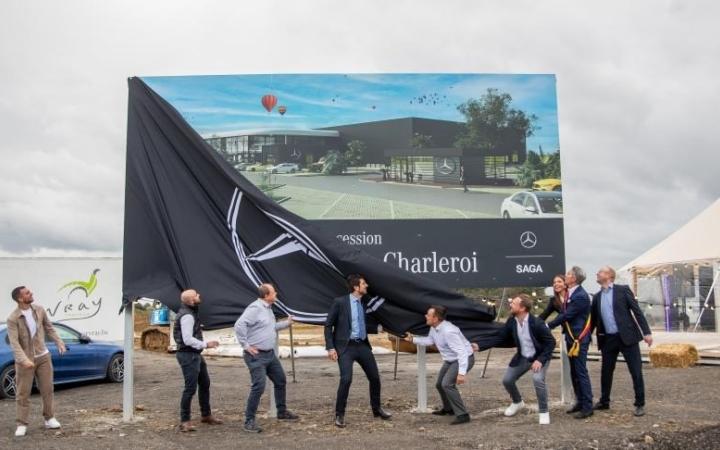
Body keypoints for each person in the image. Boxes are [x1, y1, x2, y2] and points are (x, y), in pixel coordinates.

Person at [474, 294, 556, 425]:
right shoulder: (512, 321)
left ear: (522, 308)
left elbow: (551, 343)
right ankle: (518, 402)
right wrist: (479, 345)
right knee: (507, 380)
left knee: (537, 379)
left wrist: (540, 360)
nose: (510, 304)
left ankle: (544, 412)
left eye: (514, 303)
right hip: (522, 357)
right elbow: (500, 337)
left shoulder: (537, 323)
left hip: (539, 357)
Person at [324, 274, 392, 428]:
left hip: (362, 346)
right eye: (363, 283)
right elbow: (328, 325)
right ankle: (339, 415)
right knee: (346, 379)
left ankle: (377, 409)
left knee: (375, 378)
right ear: (356, 287)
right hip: (345, 347)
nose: (366, 285)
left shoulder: (364, 303)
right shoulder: (340, 302)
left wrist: (379, 329)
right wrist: (330, 347)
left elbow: (362, 324)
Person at [234, 283, 299, 433]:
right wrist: (246, 345)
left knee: (280, 380)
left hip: (269, 354)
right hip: (256, 356)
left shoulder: (268, 309)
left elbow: (271, 327)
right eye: (274, 292)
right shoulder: (255, 309)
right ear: (266, 295)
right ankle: (249, 421)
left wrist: (287, 323)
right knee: (259, 387)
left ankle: (281, 412)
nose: (276, 294)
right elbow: (239, 325)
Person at [591, 266, 653, 417]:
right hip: (608, 339)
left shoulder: (623, 290)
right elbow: (593, 321)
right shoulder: (597, 297)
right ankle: (604, 401)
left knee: (636, 371)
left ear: (609, 276)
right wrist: (584, 338)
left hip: (628, 337)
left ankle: (640, 404)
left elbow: (636, 311)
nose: (597, 273)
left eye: (600, 271)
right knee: (606, 372)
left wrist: (646, 332)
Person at [6, 286, 66, 437]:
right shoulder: (12, 318)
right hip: (24, 361)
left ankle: (49, 418)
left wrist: (59, 342)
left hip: (43, 356)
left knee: (48, 389)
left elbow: (49, 327)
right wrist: (24, 360)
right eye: (27, 293)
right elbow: (14, 343)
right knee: (22, 393)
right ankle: (22, 424)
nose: (31, 293)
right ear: (20, 298)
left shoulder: (39, 309)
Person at [405, 305, 475, 425]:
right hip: (450, 360)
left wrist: (461, 373)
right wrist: (413, 339)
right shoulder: (434, 328)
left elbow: (462, 352)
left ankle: (463, 415)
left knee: (447, 384)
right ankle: (448, 409)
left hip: (463, 359)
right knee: (439, 384)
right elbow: (430, 341)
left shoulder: (448, 331)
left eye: (428, 315)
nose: (425, 316)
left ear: (436, 318)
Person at [173, 289, 223, 432]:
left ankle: (206, 415)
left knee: (205, 383)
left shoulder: (190, 312)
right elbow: (187, 339)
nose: (199, 295)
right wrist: (206, 344)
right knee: (190, 388)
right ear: (191, 301)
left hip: (194, 355)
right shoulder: (187, 316)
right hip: (188, 355)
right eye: (196, 295)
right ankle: (185, 421)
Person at [547, 266, 594, 419]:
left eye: (567, 274)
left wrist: (549, 325)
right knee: (574, 372)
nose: (566, 276)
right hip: (571, 338)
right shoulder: (570, 293)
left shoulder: (580, 295)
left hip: (578, 338)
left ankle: (588, 406)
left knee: (581, 372)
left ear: (574, 278)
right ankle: (579, 401)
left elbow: (568, 315)